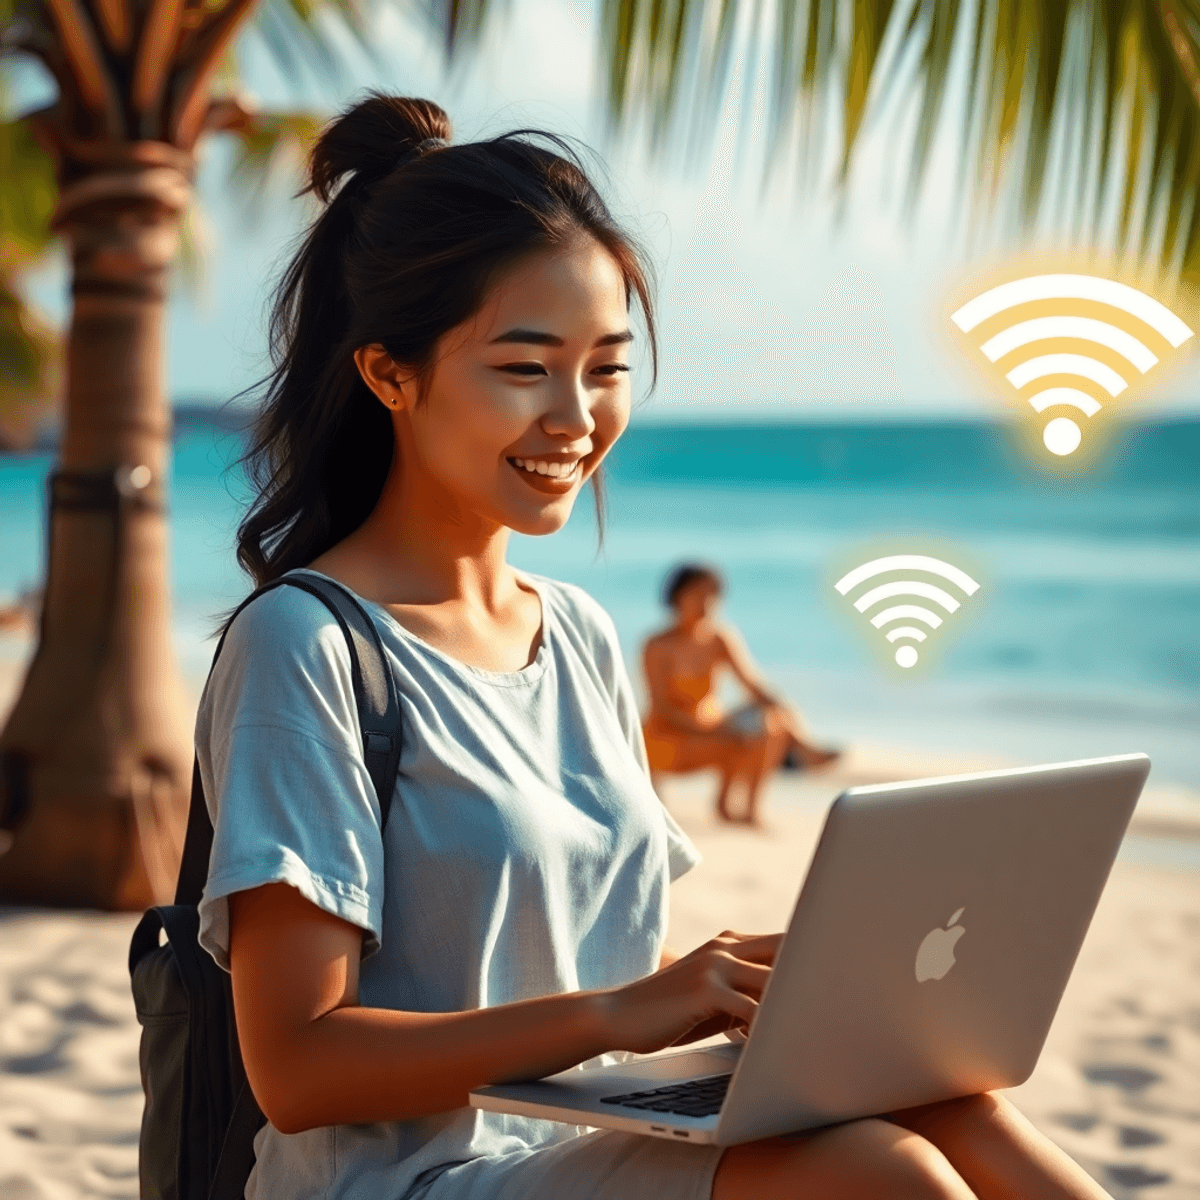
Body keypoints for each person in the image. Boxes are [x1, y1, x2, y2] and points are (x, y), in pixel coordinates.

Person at [195, 92, 1117, 1200]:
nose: (576, 416)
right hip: (407, 1180)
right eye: (526, 367)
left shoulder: (576, 634)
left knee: (947, 1093)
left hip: (580, 1141)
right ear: (391, 374)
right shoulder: (308, 644)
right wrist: (619, 1014)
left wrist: (739, 992)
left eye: (608, 365)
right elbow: (296, 1067)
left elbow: (610, 987)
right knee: (886, 1175)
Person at [641, 563, 840, 826]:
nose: (706, 603)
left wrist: (789, 718)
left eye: (712, 595)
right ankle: (802, 753)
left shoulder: (720, 638)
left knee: (772, 720)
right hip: (670, 738)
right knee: (743, 732)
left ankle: (746, 807)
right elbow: (663, 709)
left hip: (712, 726)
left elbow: (755, 686)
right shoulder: (658, 645)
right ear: (678, 597)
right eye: (698, 594)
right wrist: (717, 732)